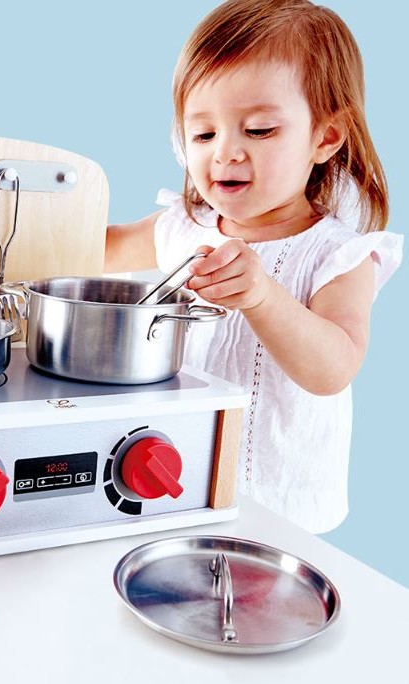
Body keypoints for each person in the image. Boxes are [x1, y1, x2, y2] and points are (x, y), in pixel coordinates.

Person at [105, 0, 403, 533]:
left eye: (259, 130)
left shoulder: (336, 253)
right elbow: (87, 247)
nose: (225, 153)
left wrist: (263, 297)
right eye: (203, 134)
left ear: (325, 137)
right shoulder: (184, 227)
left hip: (283, 509)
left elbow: (333, 369)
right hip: (179, 487)